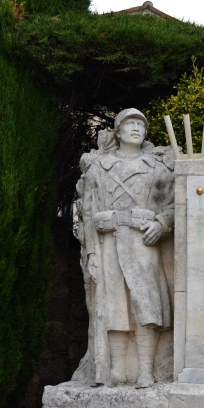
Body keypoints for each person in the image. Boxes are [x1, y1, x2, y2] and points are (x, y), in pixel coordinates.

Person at [78, 108, 174, 388]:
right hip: (109, 245)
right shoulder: (99, 168)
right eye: (129, 124)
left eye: (140, 125)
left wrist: (162, 223)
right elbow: (87, 213)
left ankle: (146, 370)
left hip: (143, 244)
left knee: (147, 306)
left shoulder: (157, 168)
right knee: (114, 308)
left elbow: (174, 205)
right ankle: (117, 369)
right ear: (117, 131)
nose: (136, 128)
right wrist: (92, 253)